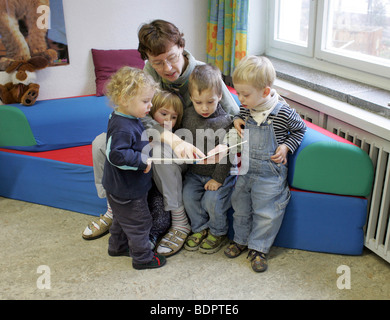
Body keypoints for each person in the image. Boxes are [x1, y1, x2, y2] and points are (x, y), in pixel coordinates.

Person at [137, 19, 240, 257]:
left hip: (198, 156)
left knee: (160, 154)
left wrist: (225, 145)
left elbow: (235, 117)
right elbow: (142, 115)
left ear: (181, 46)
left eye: (172, 57)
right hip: (171, 146)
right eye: (157, 62)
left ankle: (180, 224)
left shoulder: (204, 75)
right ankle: (120, 212)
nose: (167, 68)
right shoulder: (150, 72)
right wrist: (173, 140)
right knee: (106, 142)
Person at [219, 55, 307, 272]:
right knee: (240, 207)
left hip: (270, 175)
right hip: (247, 171)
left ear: (265, 92)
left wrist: (286, 146)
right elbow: (241, 112)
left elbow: (299, 130)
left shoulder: (283, 112)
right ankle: (240, 239)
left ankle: (259, 248)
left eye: (244, 94)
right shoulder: (249, 105)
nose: (240, 99)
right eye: (238, 92)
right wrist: (237, 118)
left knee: (266, 213)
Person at [82, 90, 184, 250]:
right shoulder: (134, 123)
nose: (168, 121)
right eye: (164, 114)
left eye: (173, 117)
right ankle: (111, 210)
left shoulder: (171, 135)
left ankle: (179, 223)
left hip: (152, 187)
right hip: (128, 185)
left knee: (156, 216)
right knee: (100, 142)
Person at [102, 66, 166, 270]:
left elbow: (130, 143)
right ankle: (142, 258)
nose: (150, 106)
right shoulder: (122, 126)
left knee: (122, 220)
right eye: (145, 101)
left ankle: (117, 246)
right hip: (127, 189)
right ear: (124, 99)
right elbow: (116, 154)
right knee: (140, 223)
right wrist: (141, 160)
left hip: (119, 187)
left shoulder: (125, 117)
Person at [181, 64, 236, 254]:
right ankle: (199, 228)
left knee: (212, 201)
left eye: (210, 102)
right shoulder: (187, 115)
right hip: (195, 173)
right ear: (191, 99)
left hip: (218, 174)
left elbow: (227, 154)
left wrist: (218, 179)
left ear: (220, 96)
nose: (204, 108)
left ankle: (217, 232)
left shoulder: (226, 121)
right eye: (198, 102)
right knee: (188, 196)